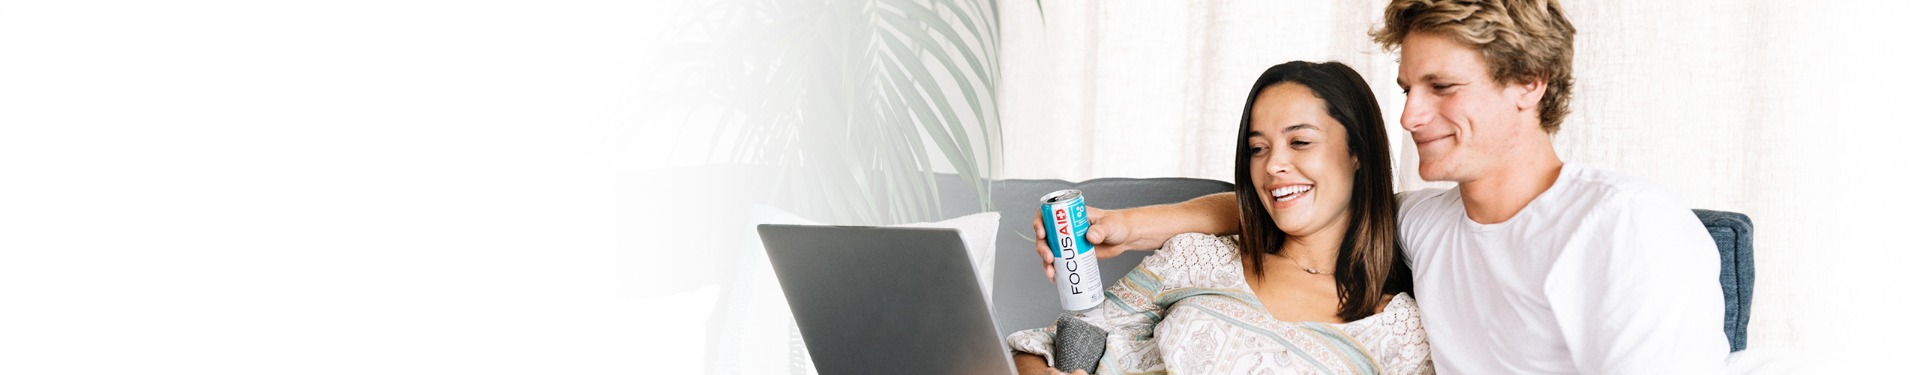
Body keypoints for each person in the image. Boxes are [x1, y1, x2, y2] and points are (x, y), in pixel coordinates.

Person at [1033, 0, 1731, 373]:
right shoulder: (1429, 225)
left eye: (1441, 87)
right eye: (1406, 88)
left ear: (1529, 83)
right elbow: (1297, 204)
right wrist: (1128, 225)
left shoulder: (1626, 228)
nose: (1409, 115)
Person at [1010, 61, 1433, 374]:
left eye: (1300, 141)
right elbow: (1048, 345)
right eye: (1258, 148)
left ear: (1358, 152)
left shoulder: (1398, 330)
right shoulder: (1195, 256)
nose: (1273, 166)